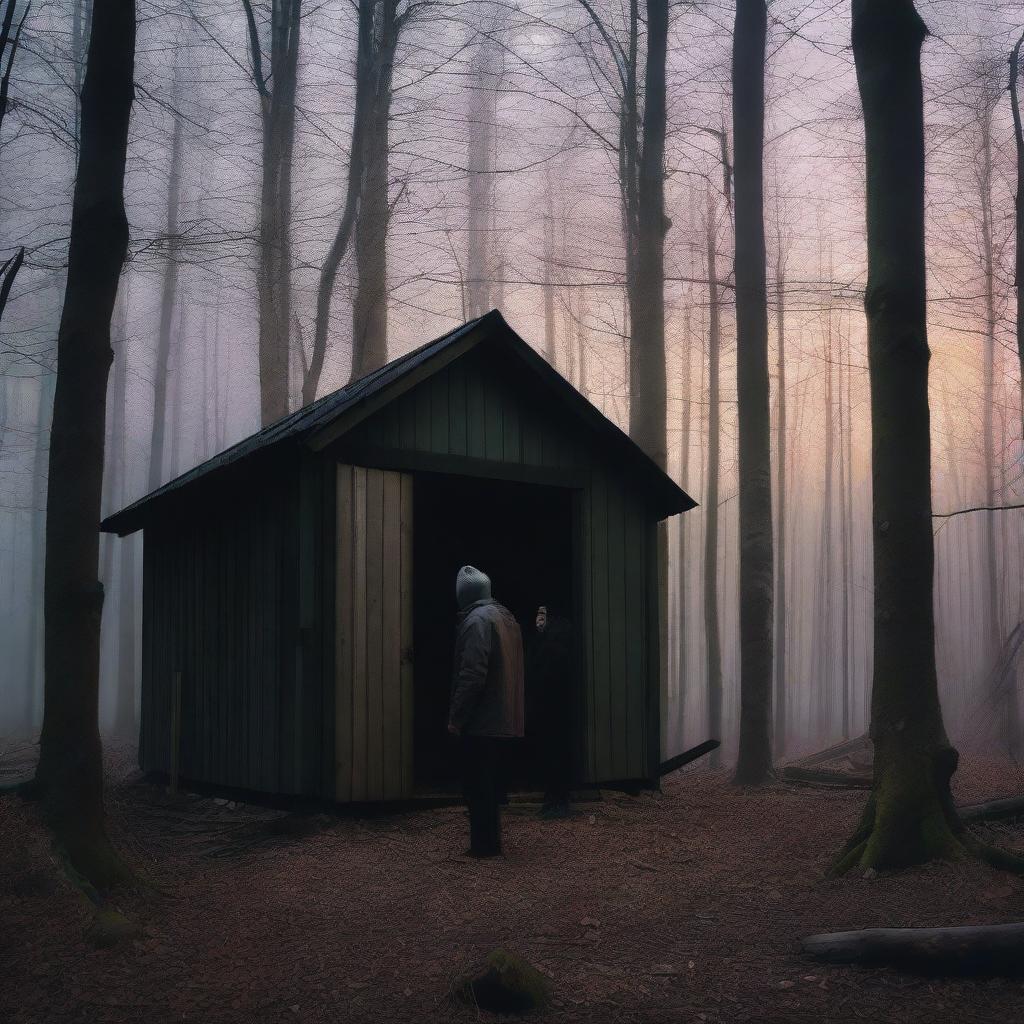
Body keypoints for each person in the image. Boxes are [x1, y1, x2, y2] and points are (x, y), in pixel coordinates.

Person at [447, 565, 524, 857]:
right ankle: (490, 843)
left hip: (483, 720)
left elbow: (472, 674)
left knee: (479, 786)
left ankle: (483, 847)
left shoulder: (475, 621)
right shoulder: (505, 616)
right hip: (505, 718)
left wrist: (456, 717)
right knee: (491, 786)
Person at [526, 604, 573, 818]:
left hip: (554, 707)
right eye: (538, 614)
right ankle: (555, 799)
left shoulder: (554, 642)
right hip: (552, 706)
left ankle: (557, 801)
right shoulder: (547, 639)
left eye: (543, 614)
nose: (539, 619)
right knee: (553, 753)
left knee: (556, 754)